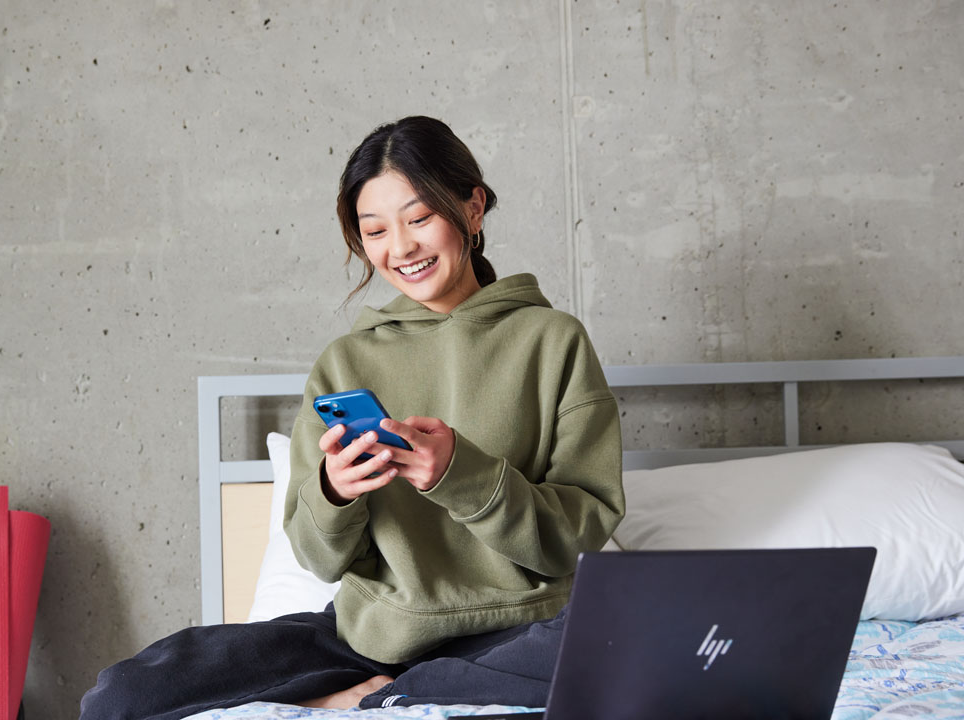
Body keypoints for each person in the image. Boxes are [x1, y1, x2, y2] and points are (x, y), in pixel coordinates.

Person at [79, 116, 623, 720]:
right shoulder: (347, 361)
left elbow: (582, 534)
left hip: (520, 633)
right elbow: (319, 559)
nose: (401, 248)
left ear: (473, 209)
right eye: (375, 230)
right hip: (370, 639)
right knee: (123, 695)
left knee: (626, 645)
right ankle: (389, 683)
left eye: (419, 219)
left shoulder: (553, 342)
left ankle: (398, 695)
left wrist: (460, 475)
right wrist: (335, 493)